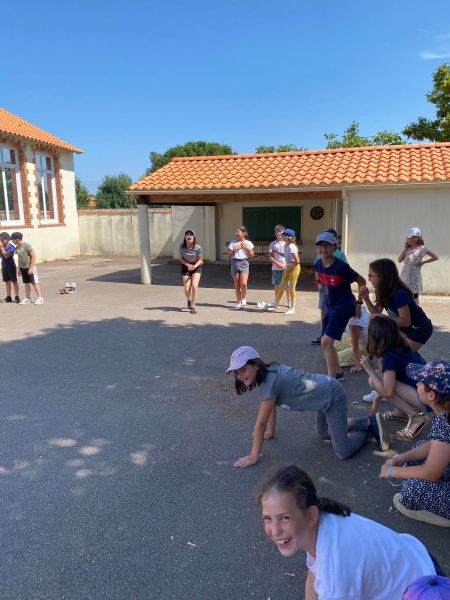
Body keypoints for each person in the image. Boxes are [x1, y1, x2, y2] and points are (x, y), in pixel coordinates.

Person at [259, 464, 439, 600]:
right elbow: (314, 571)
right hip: (419, 561)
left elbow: (328, 578)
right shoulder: (321, 521)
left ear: (310, 515)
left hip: (426, 591)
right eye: (267, 518)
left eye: (285, 518)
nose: (275, 530)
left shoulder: (335, 579)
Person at [227, 346, 388, 467]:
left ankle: (369, 424)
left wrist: (253, 456)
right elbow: (271, 406)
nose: (240, 375)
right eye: (237, 372)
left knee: (343, 452)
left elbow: (260, 424)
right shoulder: (268, 374)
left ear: (256, 365)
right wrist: (271, 432)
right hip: (324, 394)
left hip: (332, 396)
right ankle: (361, 423)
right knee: (323, 432)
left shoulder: (270, 382)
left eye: (243, 369)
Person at [380, 359, 450, 528]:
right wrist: (401, 458)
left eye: (420, 382)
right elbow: (434, 443)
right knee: (419, 449)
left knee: (412, 488)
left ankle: (439, 512)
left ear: (431, 395)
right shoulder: (444, 412)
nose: (417, 384)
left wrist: (391, 471)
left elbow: (430, 473)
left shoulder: (445, 422)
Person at [360, 315, 429, 441]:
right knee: (379, 377)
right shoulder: (401, 345)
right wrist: (377, 398)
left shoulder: (389, 357)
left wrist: (369, 370)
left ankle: (416, 417)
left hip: (425, 400)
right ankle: (402, 412)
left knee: (374, 379)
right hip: (427, 393)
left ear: (376, 337)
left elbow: (387, 391)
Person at [314, 231, 366, 380]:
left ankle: (331, 380)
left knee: (326, 342)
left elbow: (361, 281)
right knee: (325, 341)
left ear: (334, 248)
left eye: (327, 245)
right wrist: (320, 286)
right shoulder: (318, 264)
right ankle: (337, 373)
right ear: (316, 248)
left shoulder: (342, 267)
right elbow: (319, 278)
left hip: (344, 307)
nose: (323, 248)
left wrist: (359, 302)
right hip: (330, 306)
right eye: (320, 245)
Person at [361, 258, 432, 351]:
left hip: (419, 328)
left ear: (382, 276)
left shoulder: (399, 294)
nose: (368, 279)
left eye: (371, 275)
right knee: (394, 352)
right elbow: (376, 312)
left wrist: (383, 317)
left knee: (402, 354)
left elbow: (405, 322)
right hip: (404, 328)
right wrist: (366, 298)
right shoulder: (383, 291)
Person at [311, 229, 347, 345]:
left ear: (334, 244)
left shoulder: (340, 255)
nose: (324, 247)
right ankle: (323, 334)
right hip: (324, 289)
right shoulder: (320, 255)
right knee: (324, 312)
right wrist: (319, 283)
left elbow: (345, 271)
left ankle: (337, 336)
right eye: (322, 243)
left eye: (328, 242)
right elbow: (317, 269)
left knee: (337, 312)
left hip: (337, 290)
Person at [398, 227, 438, 305]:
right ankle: (407, 309)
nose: (407, 239)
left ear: (416, 238)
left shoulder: (422, 249)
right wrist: (405, 248)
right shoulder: (407, 249)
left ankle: (416, 310)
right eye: (407, 238)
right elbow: (399, 260)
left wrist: (424, 262)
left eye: (409, 238)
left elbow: (435, 257)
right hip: (404, 274)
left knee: (414, 295)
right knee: (404, 293)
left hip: (414, 274)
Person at [266, 228, 300, 315]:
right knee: (282, 286)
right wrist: (277, 252)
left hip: (294, 268)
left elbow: (297, 261)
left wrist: (290, 267)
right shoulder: (286, 245)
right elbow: (286, 255)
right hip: (288, 267)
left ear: (289, 237)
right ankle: (276, 304)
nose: (282, 235)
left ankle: (293, 308)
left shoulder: (291, 246)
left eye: (284, 235)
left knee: (291, 288)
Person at [10, 232, 44, 305]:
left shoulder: (27, 246)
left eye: (13, 240)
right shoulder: (17, 247)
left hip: (30, 267)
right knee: (26, 283)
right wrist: (19, 268)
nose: (12, 241)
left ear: (17, 239)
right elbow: (19, 258)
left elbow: (33, 256)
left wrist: (31, 268)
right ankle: (28, 298)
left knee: (34, 283)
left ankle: (40, 298)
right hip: (23, 268)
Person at [227, 226, 254, 310]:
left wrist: (247, 248)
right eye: (236, 232)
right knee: (237, 285)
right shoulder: (233, 243)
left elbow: (252, 255)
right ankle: (239, 303)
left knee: (244, 283)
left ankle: (243, 298)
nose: (236, 233)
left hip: (244, 262)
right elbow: (229, 254)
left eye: (238, 232)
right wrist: (235, 249)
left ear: (244, 233)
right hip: (234, 262)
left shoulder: (248, 243)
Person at [179, 229, 203, 315]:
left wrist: (194, 266)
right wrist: (188, 265)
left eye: (191, 235)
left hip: (196, 267)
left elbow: (200, 259)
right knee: (186, 289)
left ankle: (193, 306)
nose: (189, 236)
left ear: (194, 237)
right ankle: (189, 300)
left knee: (194, 286)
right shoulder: (181, 246)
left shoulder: (198, 247)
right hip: (186, 266)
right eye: (187, 235)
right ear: (185, 237)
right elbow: (181, 258)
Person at [268, 224, 291, 309]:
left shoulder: (287, 243)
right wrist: (277, 264)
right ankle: (277, 301)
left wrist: (286, 264)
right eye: (276, 231)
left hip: (286, 267)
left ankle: (289, 300)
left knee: (287, 285)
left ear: (283, 232)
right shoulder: (273, 244)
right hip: (276, 268)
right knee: (277, 285)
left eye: (280, 231)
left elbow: (290, 256)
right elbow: (270, 256)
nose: (278, 233)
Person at [0, 232, 20, 303]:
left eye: (2, 239)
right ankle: (8, 297)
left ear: (7, 239)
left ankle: (17, 296)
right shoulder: (3, 246)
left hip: (11, 266)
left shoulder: (11, 247)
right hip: (4, 266)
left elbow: (6, 256)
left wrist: (1, 248)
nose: (1, 241)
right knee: (7, 282)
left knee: (14, 281)